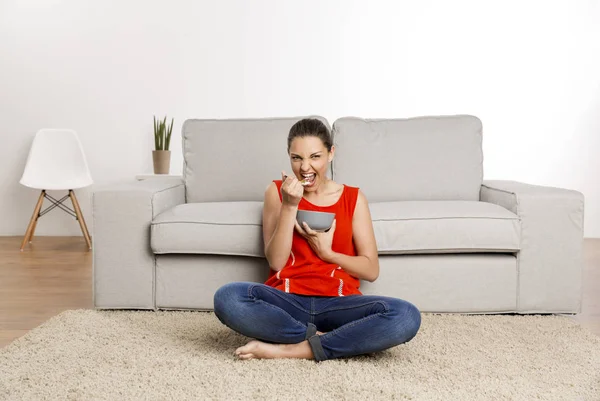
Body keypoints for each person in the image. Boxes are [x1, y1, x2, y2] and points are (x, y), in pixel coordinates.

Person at [213, 118, 421, 362]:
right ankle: (332, 340)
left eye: (315, 157)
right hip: (287, 300)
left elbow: (371, 270)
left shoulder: (354, 198)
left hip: (340, 303)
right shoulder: (277, 192)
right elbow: (277, 262)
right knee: (227, 297)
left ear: (331, 154)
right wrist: (290, 205)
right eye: (296, 158)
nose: (305, 167)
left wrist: (328, 254)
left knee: (406, 315)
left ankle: (292, 349)